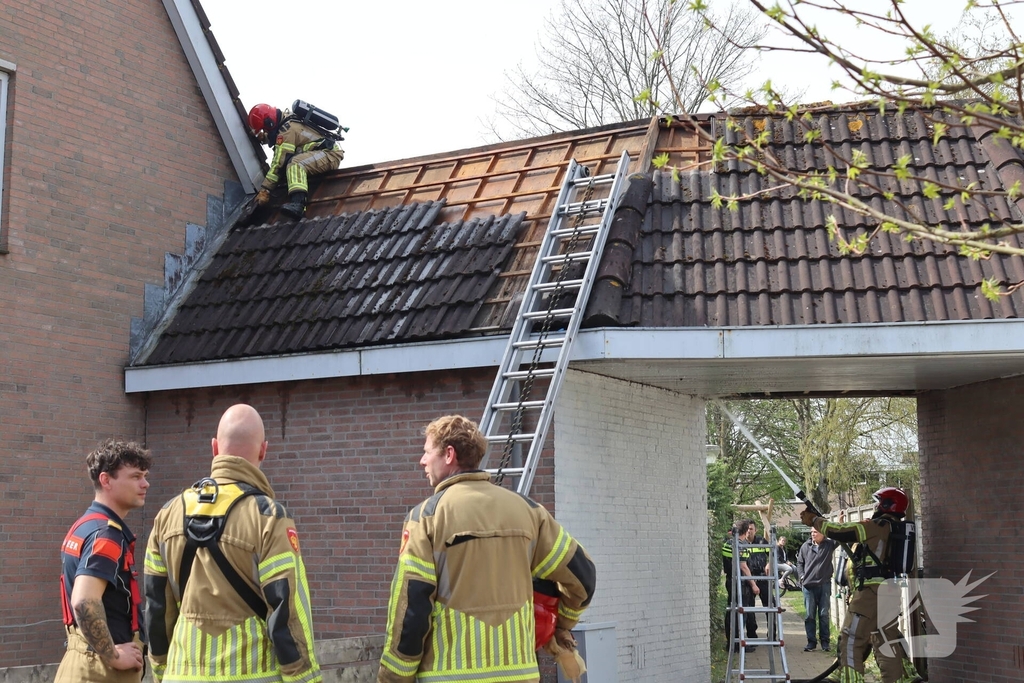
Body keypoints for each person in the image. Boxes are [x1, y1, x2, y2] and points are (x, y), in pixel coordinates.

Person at [377, 415, 596, 683]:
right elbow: (583, 578)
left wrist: (394, 678)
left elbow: (412, 606)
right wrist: (562, 624)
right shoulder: (530, 512)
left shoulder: (426, 517)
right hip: (520, 676)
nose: (422, 461)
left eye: (426, 452)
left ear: (448, 454)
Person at [144, 404, 321, 683]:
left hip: (179, 675)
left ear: (214, 447)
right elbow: (288, 613)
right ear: (263, 450)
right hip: (252, 674)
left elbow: (156, 608)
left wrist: (160, 672)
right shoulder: (269, 517)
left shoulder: (168, 515)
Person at [801, 487, 922, 683]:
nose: (875, 506)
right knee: (886, 641)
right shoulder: (894, 529)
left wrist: (815, 520)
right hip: (889, 591)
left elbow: (840, 531)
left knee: (851, 640)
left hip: (870, 594)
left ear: (887, 505)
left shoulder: (877, 525)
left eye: (878, 502)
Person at [57, 440, 151, 683]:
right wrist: (114, 657)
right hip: (101, 671)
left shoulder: (85, 526)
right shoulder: (106, 534)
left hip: (81, 660)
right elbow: (84, 601)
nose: (145, 483)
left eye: (144, 475)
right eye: (135, 476)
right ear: (106, 480)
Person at [248, 103, 345, 218]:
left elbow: (279, 162)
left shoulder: (286, 131)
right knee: (293, 163)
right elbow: (280, 136)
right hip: (322, 153)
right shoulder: (286, 121)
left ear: (270, 123)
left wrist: (266, 190)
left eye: (265, 129)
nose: (266, 131)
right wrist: (264, 138)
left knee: (295, 164)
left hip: (329, 154)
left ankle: (298, 205)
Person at [796, 526, 838, 652]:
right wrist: (802, 577)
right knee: (809, 615)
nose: (813, 534)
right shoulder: (805, 546)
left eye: (816, 532)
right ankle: (811, 642)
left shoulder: (829, 544)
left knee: (824, 614)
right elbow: (799, 563)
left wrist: (839, 524)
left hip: (824, 585)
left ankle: (825, 643)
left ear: (823, 533)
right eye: (812, 532)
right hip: (808, 586)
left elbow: (840, 537)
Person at [722, 520, 758, 653]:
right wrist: (753, 584)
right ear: (745, 530)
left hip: (730, 580)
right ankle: (738, 643)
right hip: (740, 583)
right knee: (741, 612)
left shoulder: (728, 543)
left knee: (731, 611)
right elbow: (743, 566)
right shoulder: (742, 545)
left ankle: (730, 642)